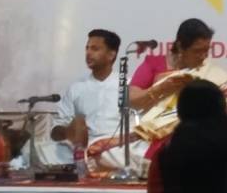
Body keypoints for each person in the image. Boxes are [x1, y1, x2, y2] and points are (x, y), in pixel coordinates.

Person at [11, 29, 149, 175]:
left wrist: (116, 141)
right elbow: (55, 131)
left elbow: (143, 128)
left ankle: (103, 164)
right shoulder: (76, 88)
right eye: (87, 48)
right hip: (81, 151)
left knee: (140, 152)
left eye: (95, 49)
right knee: (32, 149)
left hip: (116, 147)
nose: (88, 53)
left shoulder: (129, 85)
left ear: (111, 55)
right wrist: (68, 131)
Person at [129, 19, 227, 152]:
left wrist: (223, 103)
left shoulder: (210, 72)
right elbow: (132, 100)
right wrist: (161, 88)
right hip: (156, 136)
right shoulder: (154, 64)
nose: (203, 56)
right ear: (180, 46)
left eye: (206, 50)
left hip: (201, 136)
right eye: (197, 51)